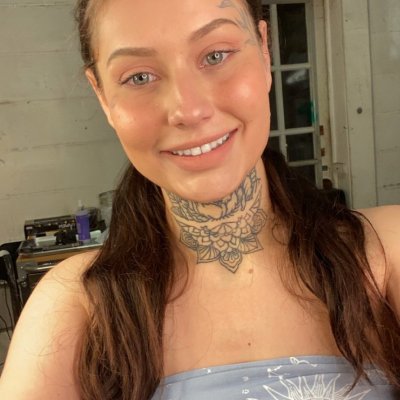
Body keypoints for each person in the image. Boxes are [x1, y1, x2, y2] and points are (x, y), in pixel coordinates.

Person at [0, 0, 399, 399]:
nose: (188, 110)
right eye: (139, 76)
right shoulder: (76, 308)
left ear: (264, 50)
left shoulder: (385, 253)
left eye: (216, 55)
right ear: (102, 96)